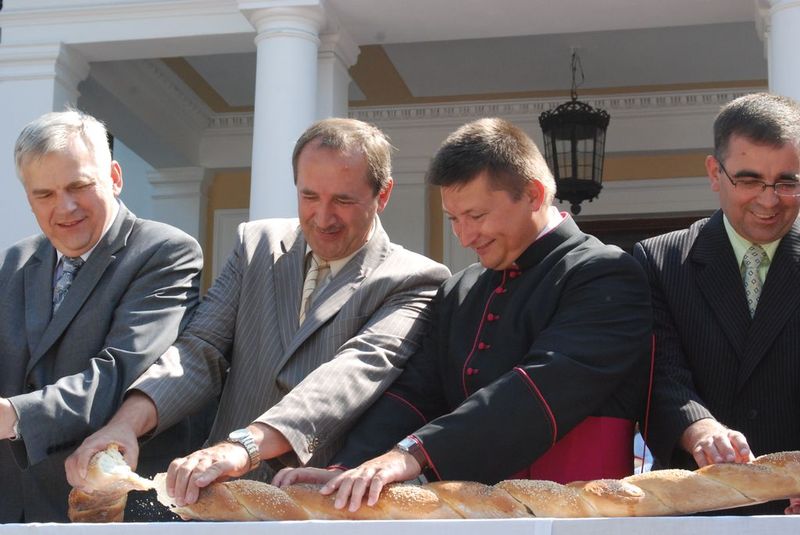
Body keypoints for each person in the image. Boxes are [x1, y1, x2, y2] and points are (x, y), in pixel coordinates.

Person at [66, 117, 450, 509]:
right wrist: (125, 425)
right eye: (309, 196)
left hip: (326, 507)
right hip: (218, 502)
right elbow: (199, 349)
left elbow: (350, 376)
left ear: (383, 195)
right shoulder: (255, 245)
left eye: (343, 201)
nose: (323, 217)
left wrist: (244, 446)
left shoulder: (415, 278)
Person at [274, 117, 652, 512]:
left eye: (477, 216)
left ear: (534, 195)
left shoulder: (605, 272)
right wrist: (348, 466)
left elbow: (544, 386)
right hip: (473, 514)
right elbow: (416, 393)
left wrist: (413, 453)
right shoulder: (460, 289)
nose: (465, 236)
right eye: (453, 219)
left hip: (579, 513)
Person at [0, 109, 203, 522]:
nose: (65, 207)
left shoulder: (165, 252)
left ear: (114, 177)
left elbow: (119, 372)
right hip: (14, 509)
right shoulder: (14, 262)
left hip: (114, 511)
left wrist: (15, 415)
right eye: (45, 194)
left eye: (79, 186)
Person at [633, 92, 800, 515]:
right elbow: (658, 374)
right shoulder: (661, 261)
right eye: (749, 181)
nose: (769, 200)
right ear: (714, 172)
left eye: (787, 183)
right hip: (697, 509)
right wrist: (699, 428)